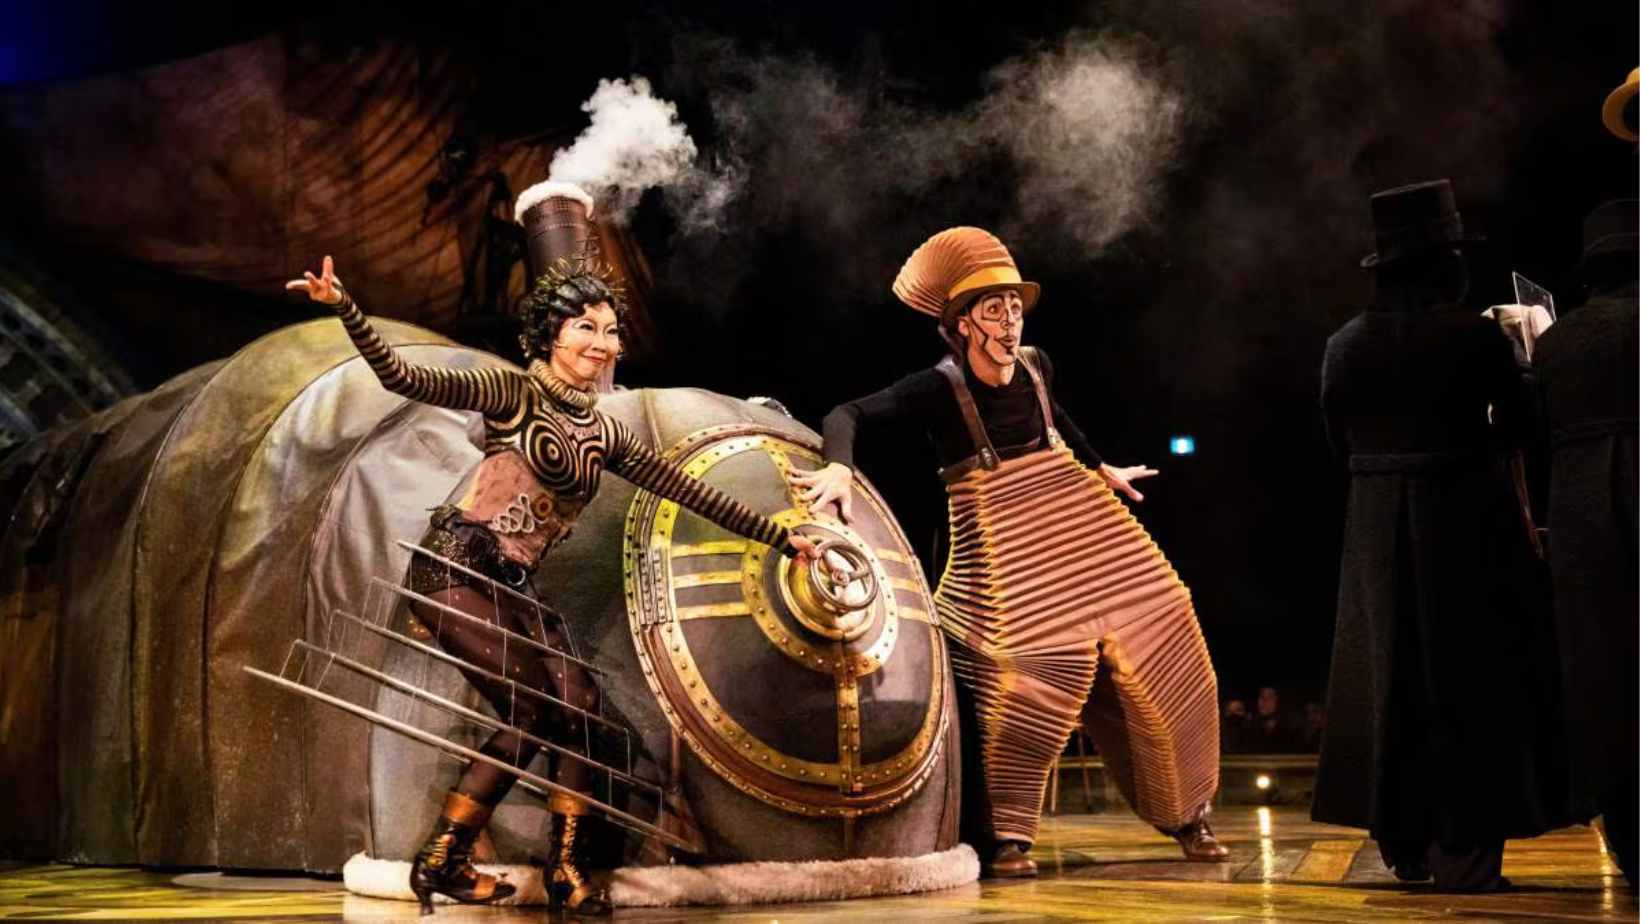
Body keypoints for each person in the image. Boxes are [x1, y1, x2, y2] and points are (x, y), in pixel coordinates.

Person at [288, 255, 818, 915]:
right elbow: (404, 376)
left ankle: (564, 869)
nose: (602, 343)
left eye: (611, 330)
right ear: (550, 335)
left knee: (581, 709)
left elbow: (687, 489)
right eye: (585, 327)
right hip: (458, 564)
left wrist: (783, 537)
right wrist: (346, 307)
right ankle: (446, 857)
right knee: (533, 709)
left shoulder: (605, 433)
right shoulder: (512, 393)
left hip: (513, 580)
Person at [793, 227, 1225, 877]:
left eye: (1014, 308)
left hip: (1081, 520)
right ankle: (1009, 836)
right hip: (1004, 540)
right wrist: (839, 467)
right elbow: (845, 414)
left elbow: (1057, 420)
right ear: (963, 324)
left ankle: (1189, 815)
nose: (1009, 321)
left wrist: (1099, 465)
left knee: (1167, 626)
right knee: (1024, 669)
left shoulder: (1036, 364)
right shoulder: (937, 387)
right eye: (993, 310)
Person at [1312, 180, 1571, 892]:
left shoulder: (1342, 345)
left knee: (1389, 682)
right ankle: (1466, 852)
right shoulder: (1473, 335)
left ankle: (1405, 843)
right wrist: (1528, 363)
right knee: (1471, 684)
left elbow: (1335, 440)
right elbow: (1523, 427)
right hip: (1465, 522)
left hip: (1375, 530)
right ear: (1441, 262)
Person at [1533, 199, 1637, 886]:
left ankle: (1629, 838)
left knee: (1601, 677)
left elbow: (1528, 430)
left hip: (1581, 517)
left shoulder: (1557, 342)